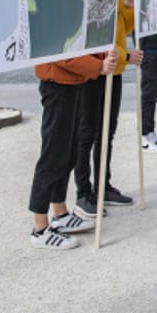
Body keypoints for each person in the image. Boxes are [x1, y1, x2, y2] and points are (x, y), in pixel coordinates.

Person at [30, 50, 117, 248]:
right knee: (52, 155)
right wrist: (98, 66)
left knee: (68, 153)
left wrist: (104, 57)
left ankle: (60, 213)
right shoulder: (53, 20)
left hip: (75, 83)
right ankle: (40, 227)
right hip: (56, 85)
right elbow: (62, 55)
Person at [73, 0, 143, 217]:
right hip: (94, 70)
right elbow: (96, 34)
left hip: (115, 71)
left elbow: (124, 27)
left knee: (107, 131)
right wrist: (125, 55)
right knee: (87, 132)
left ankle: (103, 185)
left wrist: (129, 8)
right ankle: (83, 191)